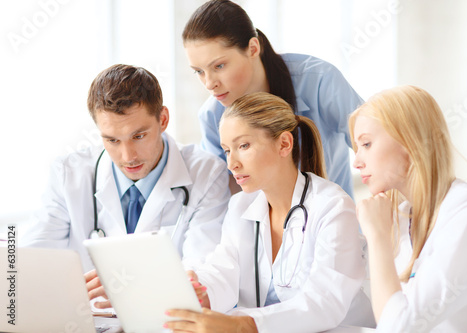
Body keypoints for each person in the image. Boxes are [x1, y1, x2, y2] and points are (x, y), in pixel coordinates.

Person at [165, 92, 375, 333]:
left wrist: (245, 324)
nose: (231, 163)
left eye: (243, 146)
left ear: (284, 144)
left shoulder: (332, 207)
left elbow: (324, 303)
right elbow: (224, 270)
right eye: (226, 150)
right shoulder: (241, 205)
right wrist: (201, 291)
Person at [21, 64, 231, 305]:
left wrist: (134, 290)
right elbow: (33, 263)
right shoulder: (69, 174)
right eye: (112, 140)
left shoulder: (207, 172)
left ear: (163, 119)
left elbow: (201, 276)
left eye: (138, 136)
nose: (127, 156)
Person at [349, 85, 467, 332]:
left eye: (366, 144)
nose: (356, 161)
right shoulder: (401, 217)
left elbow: (397, 327)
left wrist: (377, 238)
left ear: (409, 142)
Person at [182, 0, 363, 197]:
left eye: (219, 66)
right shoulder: (212, 117)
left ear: (252, 48)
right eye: (199, 71)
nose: (209, 84)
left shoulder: (319, 81)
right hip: (263, 225)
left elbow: (373, 142)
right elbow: (222, 193)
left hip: (335, 217)